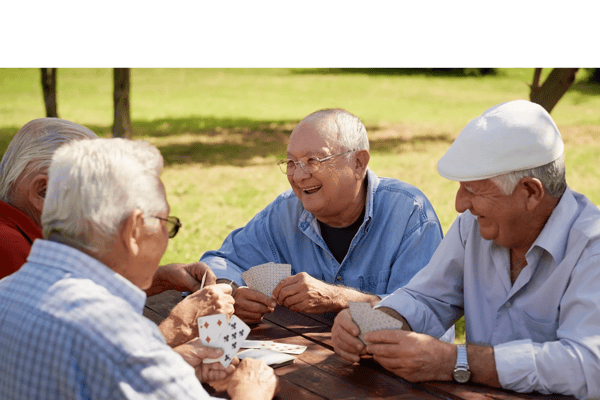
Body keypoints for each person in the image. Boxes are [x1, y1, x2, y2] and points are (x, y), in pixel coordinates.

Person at [331, 100, 600, 399]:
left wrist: (457, 362)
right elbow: (426, 298)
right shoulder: (472, 226)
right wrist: (370, 323)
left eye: (473, 190)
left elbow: (588, 364)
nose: (460, 204)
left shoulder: (592, 247)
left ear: (531, 192)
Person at [0, 138, 278, 400]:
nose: (166, 238)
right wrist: (251, 390)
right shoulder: (118, 333)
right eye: (165, 223)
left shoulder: (7, 291)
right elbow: (117, 354)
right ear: (134, 229)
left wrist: (172, 363)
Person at [200, 109, 445, 326]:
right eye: (291, 162)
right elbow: (219, 262)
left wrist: (338, 298)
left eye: (312, 161)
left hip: (389, 371)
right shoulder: (285, 212)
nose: (298, 176)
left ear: (358, 163)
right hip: (308, 369)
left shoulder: (410, 214)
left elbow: (422, 317)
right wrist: (232, 292)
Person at [0, 118, 214, 298]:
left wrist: (159, 278)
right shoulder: (11, 247)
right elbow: (80, 328)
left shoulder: (27, 234)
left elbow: (85, 290)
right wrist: (180, 325)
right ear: (42, 192)